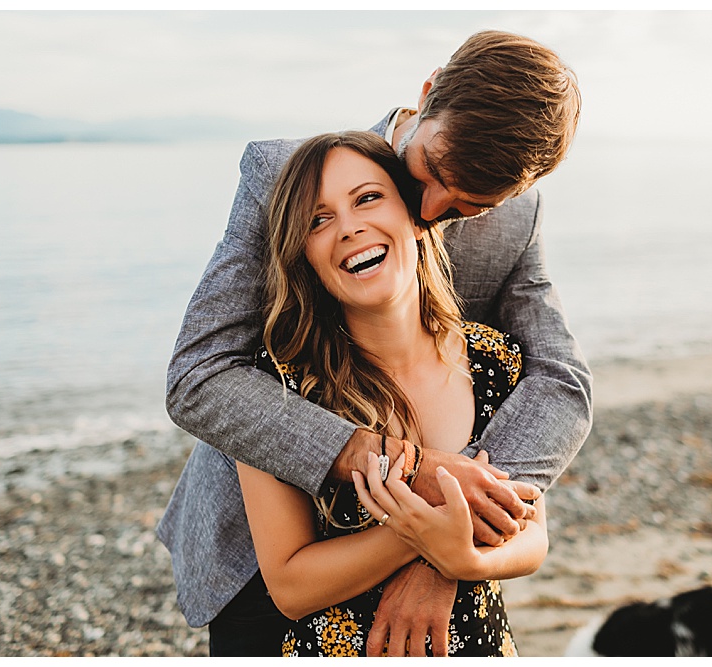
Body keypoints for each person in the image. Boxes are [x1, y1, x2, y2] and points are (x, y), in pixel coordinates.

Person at [157, 30, 592, 656]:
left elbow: (561, 382)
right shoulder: (285, 178)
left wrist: (447, 550)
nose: (432, 209)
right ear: (428, 93)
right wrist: (408, 470)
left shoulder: (516, 221)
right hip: (263, 542)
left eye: (471, 205)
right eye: (432, 172)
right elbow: (199, 376)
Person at [242, 130, 549, 657]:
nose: (348, 227)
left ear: (415, 216)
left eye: (367, 198)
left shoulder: (497, 361)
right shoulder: (278, 386)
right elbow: (290, 586)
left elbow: (534, 536)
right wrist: (420, 535)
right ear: (304, 255)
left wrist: (466, 561)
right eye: (318, 220)